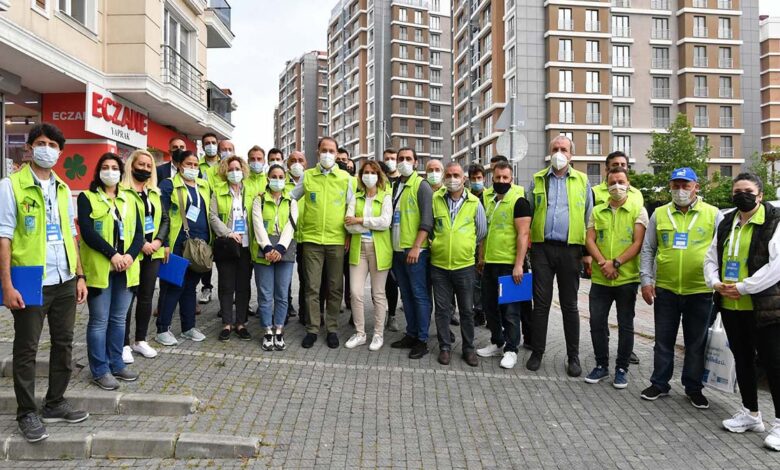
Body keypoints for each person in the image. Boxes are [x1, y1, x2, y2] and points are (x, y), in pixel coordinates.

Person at [0, 123, 89, 442]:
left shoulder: (64, 189)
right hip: (30, 281)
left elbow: (71, 233)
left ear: (60, 152)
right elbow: (4, 237)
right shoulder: (10, 186)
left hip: (65, 280)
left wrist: (79, 275)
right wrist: (7, 285)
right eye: (40, 143)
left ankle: (55, 402)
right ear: (29, 148)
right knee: (26, 348)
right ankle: (26, 412)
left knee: (64, 344)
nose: (46, 148)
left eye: (52, 144)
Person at [703, 172, 780, 449]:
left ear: (759, 195)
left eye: (747, 190)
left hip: (764, 307)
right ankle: (751, 414)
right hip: (732, 305)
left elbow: (777, 265)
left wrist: (745, 287)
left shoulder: (774, 220)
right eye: (737, 191)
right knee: (743, 360)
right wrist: (714, 282)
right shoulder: (726, 222)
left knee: (774, 364)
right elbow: (711, 257)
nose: (741, 195)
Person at [639, 167, 722, 409]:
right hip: (666, 289)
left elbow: (722, 251)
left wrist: (717, 282)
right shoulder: (660, 214)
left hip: (700, 291)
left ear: (697, 187)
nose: (681, 190)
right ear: (670, 187)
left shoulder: (713, 214)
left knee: (696, 343)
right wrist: (646, 280)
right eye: (676, 185)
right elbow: (648, 249)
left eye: (686, 185)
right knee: (663, 341)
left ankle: (693, 388)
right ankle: (660, 383)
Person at [526, 135, 593, 376]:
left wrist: (586, 253)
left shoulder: (583, 182)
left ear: (571, 155)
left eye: (563, 149)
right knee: (541, 304)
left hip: (571, 250)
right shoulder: (537, 180)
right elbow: (529, 214)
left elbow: (589, 219)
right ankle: (537, 351)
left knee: (570, 305)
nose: (559, 153)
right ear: (549, 151)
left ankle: (573, 357)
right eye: (555, 148)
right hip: (542, 248)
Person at [78, 152, 144, 390]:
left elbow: (139, 234)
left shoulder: (130, 199)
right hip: (101, 270)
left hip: (126, 268)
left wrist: (128, 256)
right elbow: (88, 232)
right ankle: (100, 369)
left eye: (114, 167)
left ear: (121, 172)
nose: (110, 171)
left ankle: (116, 363)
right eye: (105, 167)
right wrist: (113, 255)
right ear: (98, 171)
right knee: (99, 321)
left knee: (118, 320)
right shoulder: (87, 198)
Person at [584, 167, 648, 388]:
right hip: (601, 278)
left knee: (625, 324)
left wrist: (616, 263)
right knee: (596, 322)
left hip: (626, 278)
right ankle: (601, 365)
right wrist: (603, 263)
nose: (617, 186)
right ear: (606, 184)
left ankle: (622, 368)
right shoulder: (597, 210)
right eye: (612, 182)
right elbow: (590, 239)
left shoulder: (638, 210)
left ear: (628, 184)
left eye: (621, 182)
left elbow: (638, 243)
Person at [290, 137, 352, 349]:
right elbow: (290, 198)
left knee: (335, 288)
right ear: (318, 152)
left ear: (336, 154)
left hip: (336, 240)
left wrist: (349, 235)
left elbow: (352, 209)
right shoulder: (307, 177)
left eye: (331, 151)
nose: (327, 154)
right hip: (312, 240)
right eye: (324, 150)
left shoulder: (346, 178)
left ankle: (332, 328)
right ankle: (312, 328)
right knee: (312, 287)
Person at [476, 161, 532, 369]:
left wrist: (519, 265)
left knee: (510, 311)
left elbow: (523, 235)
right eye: (497, 178)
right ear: (492, 178)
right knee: (490, 306)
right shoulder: (488, 200)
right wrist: (481, 257)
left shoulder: (519, 201)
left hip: (510, 265)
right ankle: (497, 342)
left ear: (511, 179)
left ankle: (511, 349)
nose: (501, 181)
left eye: (505, 178)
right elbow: (485, 232)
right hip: (490, 263)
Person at [430, 162, 486, 366]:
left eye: (457, 175)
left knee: (466, 310)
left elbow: (481, 231)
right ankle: (444, 347)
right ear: (445, 178)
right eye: (449, 175)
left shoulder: (474, 203)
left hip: (464, 266)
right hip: (439, 265)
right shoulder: (435, 199)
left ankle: (468, 348)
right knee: (443, 310)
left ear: (464, 179)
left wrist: (466, 245)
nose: (452, 179)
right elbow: (429, 226)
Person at [155, 151, 211, 346]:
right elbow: (161, 216)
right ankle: (162, 329)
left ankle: (188, 327)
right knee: (173, 286)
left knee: (190, 287)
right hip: (178, 242)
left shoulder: (204, 186)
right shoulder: (169, 185)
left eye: (196, 164)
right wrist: (165, 243)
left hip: (200, 244)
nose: (193, 168)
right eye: (189, 164)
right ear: (179, 165)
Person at [121, 150, 169, 364]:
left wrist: (158, 242)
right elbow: (123, 223)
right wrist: (141, 244)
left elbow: (165, 219)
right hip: (133, 253)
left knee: (147, 297)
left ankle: (140, 339)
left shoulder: (155, 193)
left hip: (154, 253)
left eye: (149, 166)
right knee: (128, 299)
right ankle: (123, 343)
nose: (145, 169)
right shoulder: (123, 192)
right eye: (141, 165)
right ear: (132, 165)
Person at [389, 147, 434, 359]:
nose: (403, 162)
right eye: (401, 158)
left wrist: (416, 246)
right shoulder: (396, 185)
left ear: (416, 162)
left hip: (415, 251)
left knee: (419, 294)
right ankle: (411, 332)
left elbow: (427, 220)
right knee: (406, 295)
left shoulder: (421, 185)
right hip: (398, 250)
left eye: (408, 158)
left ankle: (422, 340)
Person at [344, 160, 393, 350]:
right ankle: (360, 333)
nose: (369, 175)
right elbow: (348, 224)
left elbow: (385, 222)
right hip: (359, 249)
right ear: (361, 175)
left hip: (379, 250)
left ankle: (378, 334)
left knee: (378, 294)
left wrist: (360, 220)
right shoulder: (355, 197)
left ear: (379, 175)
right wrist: (366, 223)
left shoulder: (386, 196)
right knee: (355, 292)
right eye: (366, 172)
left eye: (373, 172)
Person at [209, 156, 255, 341]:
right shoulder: (218, 191)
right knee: (226, 285)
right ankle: (227, 323)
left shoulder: (251, 191)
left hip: (246, 245)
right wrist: (228, 232)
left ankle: (241, 323)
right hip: (227, 245)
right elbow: (212, 216)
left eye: (237, 168)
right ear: (225, 172)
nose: (234, 172)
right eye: (230, 169)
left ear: (243, 170)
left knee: (243, 286)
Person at [253, 164, 299, 350]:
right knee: (265, 294)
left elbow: (291, 225)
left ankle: (278, 330)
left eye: (281, 177)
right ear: (268, 178)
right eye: (274, 176)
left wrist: (280, 248)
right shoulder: (259, 200)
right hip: (264, 249)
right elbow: (257, 224)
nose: (277, 180)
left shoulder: (291, 201)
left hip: (284, 250)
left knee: (281, 295)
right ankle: (267, 331)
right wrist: (267, 248)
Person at [197, 133, 220, 306]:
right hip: (204, 213)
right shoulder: (197, 166)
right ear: (202, 146)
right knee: (205, 252)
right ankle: (206, 286)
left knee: (222, 253)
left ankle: (226, 290)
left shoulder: (224, 165)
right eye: (207, 143)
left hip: (220, 212)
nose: (210, 145)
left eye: (213, 142)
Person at [286, 150, 307, 324]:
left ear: (306, 163)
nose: (297, 163)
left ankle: (304, 312)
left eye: (300, 160)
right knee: (284, 277)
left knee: (305, 277)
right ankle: (285, 308)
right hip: (286, 238)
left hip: (305, 238)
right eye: (293, 160)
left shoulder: (311, 182)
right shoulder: (280, 181)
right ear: (287, 164)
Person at [382, 148, 401, 332]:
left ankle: (395, 313)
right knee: (387, 281)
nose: (390, 161)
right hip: (383, 239)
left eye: (393, 158)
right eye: (386, 159)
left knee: (398, 280)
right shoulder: (382, 182)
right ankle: (389, 315)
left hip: (400, 238)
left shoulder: (403, 182)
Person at [468, 163, 487, 326]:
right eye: (473, 178)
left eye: (479, 178)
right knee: (474, 283)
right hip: (470, 245)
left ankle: (487, 311)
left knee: (486, 281)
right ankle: (478, 311)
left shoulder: (489, 197)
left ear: (484, 178)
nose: (476, 181)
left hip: (486, 244)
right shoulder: (466, 197)